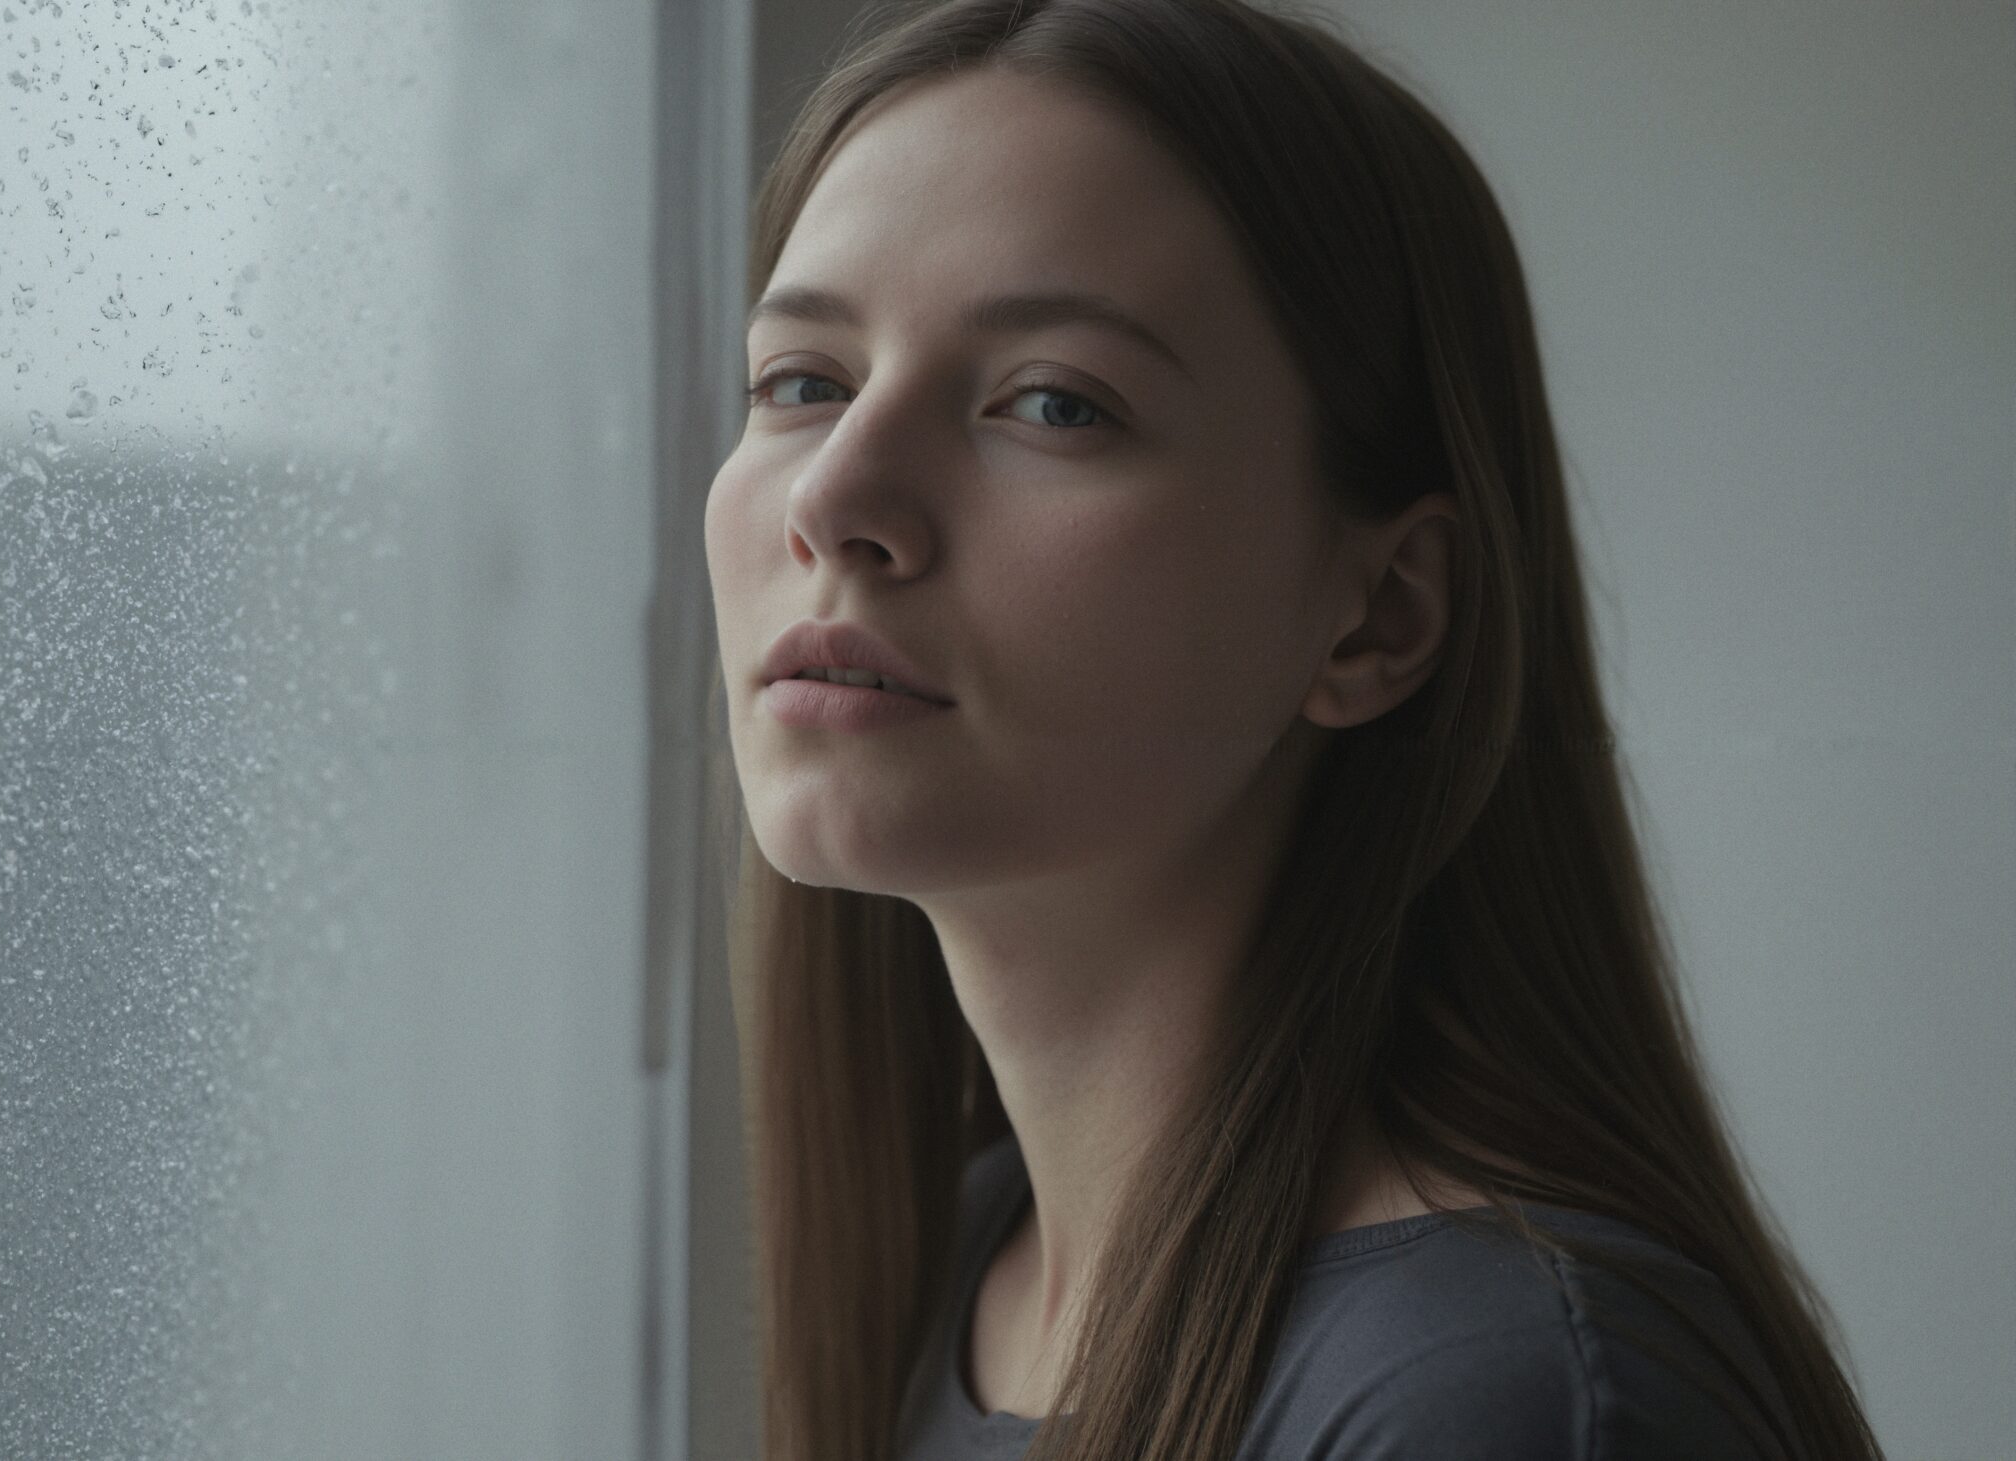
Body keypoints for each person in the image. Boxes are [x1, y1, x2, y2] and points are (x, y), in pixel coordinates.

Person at [700, 1, 1887, 1458]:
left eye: (1054, 402)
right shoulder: (970, 1266)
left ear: (1378, 613)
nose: (832, 499)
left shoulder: (1492, 1399)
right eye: (802, 383)